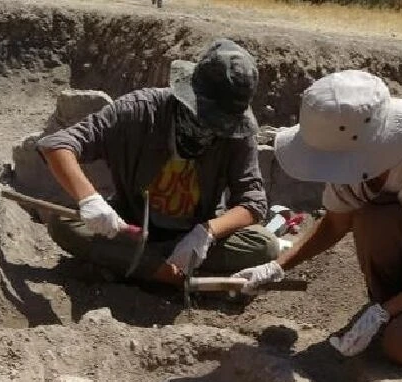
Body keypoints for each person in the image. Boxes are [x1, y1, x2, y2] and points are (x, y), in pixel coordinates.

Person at [232, 70, 402, 365]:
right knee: (370, 218)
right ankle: (399, 308)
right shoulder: (352, 160)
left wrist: (384, 312)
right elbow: (335, 223)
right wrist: (276, 267)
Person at [37, 39, 278, 284]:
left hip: (191, 236)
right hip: (130, 229)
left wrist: (206, 232)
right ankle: (165, 273)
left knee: (265, 247)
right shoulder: (140, 110)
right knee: (62, 221)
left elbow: (253, 201)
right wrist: (90, 200)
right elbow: (56, 145)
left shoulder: (237, 132)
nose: (212, 129)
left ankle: (136, 266)